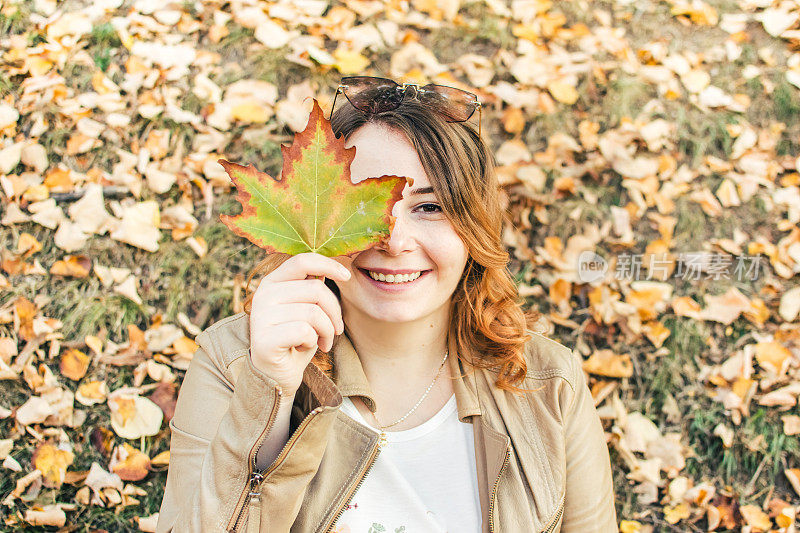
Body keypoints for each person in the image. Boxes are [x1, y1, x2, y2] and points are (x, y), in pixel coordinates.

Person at [156, 76, 617, 533]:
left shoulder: (550, 384)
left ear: (473, 226)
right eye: (368, 210)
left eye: (430, 207)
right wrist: (270, 396)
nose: (395, 242)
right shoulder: (233, 362)